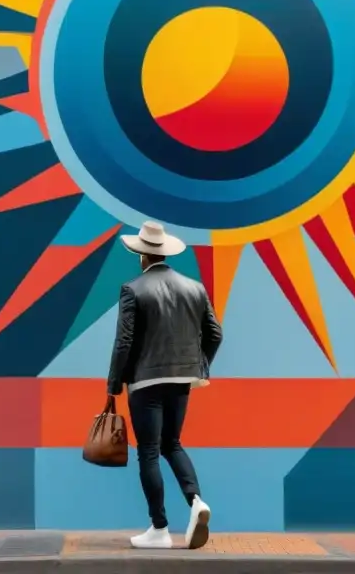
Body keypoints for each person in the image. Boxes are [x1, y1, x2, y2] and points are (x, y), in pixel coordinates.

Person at [106, 220, 224, 550]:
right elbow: (215, 335)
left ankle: (159, 528)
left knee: (149, 451)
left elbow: (124, 342)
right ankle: (197, 501)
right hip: (182, 379)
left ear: (141, 254)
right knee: (172, 443)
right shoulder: (194, 288)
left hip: (145, 381)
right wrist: (198, 368)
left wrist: (114, 384)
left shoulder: (133, 289)